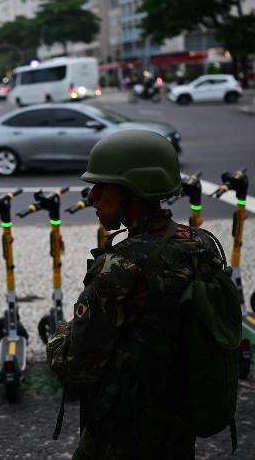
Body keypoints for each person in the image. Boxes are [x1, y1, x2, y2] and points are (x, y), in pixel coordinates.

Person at [47, 130, 226, 459]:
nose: (93, 196)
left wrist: (59, 334)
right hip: (178, 422)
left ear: (135, 192)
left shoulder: (120, 265)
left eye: (104, 187)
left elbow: (78, 366)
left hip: (122, 432)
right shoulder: (203, 245)